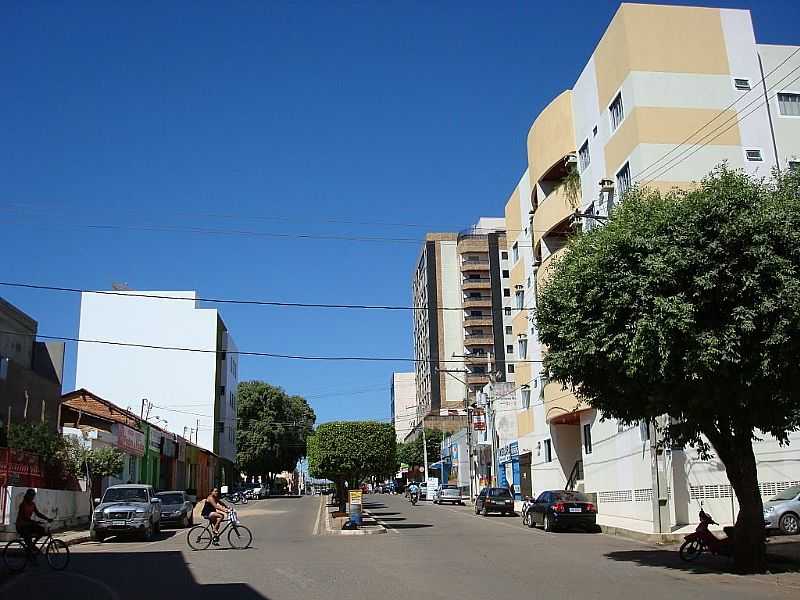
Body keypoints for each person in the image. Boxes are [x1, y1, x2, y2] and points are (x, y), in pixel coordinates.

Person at [16, 489, 53, 554]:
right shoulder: (23, 505)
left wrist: (47, 519)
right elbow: (24, 518)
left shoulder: (32, 504)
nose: (32, 497)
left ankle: (32, 545)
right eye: (31, 495)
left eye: (33, 496)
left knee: (42, 530)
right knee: (29, 540)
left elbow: (38, 513)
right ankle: (31, 548)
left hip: (28, 525)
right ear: (27, 496)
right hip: (21, 526)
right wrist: (34, 522)